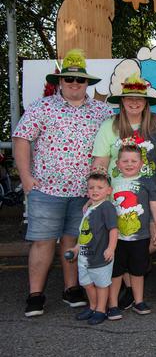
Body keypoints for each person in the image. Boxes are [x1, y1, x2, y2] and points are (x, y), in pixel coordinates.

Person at [13, 49, 114, 317]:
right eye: (68, 79)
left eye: (80, 80)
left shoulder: (103, 112)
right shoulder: (41, 107)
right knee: (43, 242)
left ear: (87, 83)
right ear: (60, 82)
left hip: (86, 193)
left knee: (75, 239)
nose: (74, 84)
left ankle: (71, 289)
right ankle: (35, 294)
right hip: (46, 190)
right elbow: (21, 139)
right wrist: (25, 177)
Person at [92, 73, 156, 310]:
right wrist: (97, 196)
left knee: (148, 244)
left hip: (148, 196)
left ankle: (132, 288)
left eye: (139, 99)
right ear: (122, 102)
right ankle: (125, 291)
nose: (134, 103)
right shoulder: (109, 126)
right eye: (129, 99)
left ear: (146, 103)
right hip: (117, 198)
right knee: (120, 243)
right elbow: (100, 162)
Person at [106, 145, 156, 320]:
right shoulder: (111, 182)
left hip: (140, 237)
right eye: (125, 161)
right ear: (117, 163)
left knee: (138, 271)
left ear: (141, 163)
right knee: (116, 272)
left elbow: (155, 206)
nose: (129, 164)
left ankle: (138, 301)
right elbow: (100, 203)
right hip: (116, 238)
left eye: (134, 161)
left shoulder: (148, 183)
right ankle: (112, 304)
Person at [67, 169, 118, 325]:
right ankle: (93, 306)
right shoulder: (89, 208)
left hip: (100, 255)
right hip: (84, 256)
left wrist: (111, 248)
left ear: (109, 190)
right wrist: (76, 248)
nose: (95, 190)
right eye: (91, 187)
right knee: (87, 284)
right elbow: (84, 234)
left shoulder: (107, 207)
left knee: (102, 284)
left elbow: (113, 230)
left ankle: (101, 309)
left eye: (100, 187)